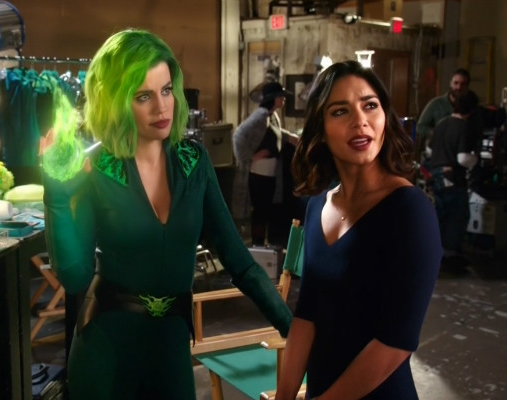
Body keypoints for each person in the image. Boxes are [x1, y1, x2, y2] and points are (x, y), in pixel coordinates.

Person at [40, 28, 292, 399]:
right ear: (115, 102)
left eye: (166, 90)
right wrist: (57, 197)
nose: (162, 107)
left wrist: (293, 329)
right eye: (143, 96)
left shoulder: (193, 161)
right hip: (105, 350)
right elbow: (75, 277)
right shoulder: (94, 166)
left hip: (172, 346)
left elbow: (240, 262)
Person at [275, 61, 443, 400]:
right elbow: (306, 315)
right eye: (340, 111)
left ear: (385, 118)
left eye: (370, 105)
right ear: (320, 129)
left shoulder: (410, 211)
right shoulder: (316, 206)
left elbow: (395, 342)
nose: (360, 121)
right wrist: (284, 395)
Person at [232, 81, 300, 246]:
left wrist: (290, 137)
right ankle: (258, 244)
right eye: (281, 97)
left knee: (266, 210)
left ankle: (263, 243)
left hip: (268, 173)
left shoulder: (272, 116)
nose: (283, 100)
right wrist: (250, 156)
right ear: (273, 98)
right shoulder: (261, 116)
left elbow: (275, 132)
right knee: (260, 211)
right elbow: (238, 135)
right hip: (259, 174)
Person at [428, 90, 480, 273]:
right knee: (457, 217)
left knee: (439, 217)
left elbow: (429, 150)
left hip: (436, 176)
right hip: (453, 178)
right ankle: (449, 256)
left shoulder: (442, 124)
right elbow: (463, 158)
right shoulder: (463, 127)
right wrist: (476, 160)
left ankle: (435, 256)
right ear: (471, 110)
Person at [415, 68, 470, 163]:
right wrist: (438, 133)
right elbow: (420, 127)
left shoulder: (471, 106)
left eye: (463, 84)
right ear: (450, 83)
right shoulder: (436, 104)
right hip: (437, 155)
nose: (459, 87)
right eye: (456, 83)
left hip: (461, 156)